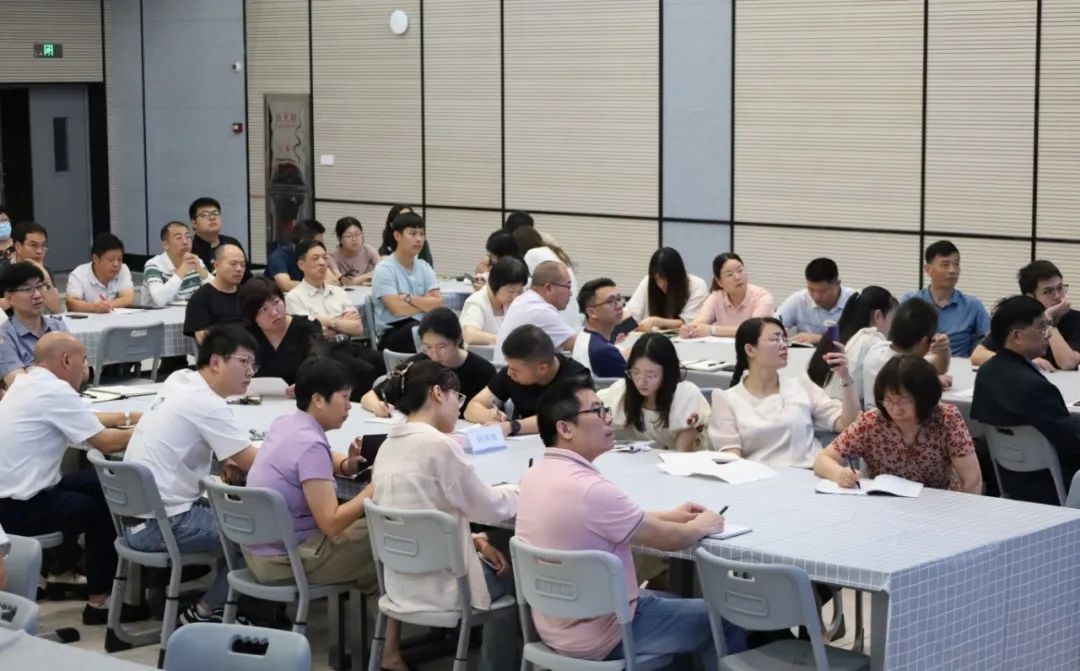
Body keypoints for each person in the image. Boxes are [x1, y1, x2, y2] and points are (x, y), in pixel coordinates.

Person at [515, 376, 745, 667]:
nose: (608, 418)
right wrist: (705, 524)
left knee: (670, 599)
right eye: (597, 411)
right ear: (565, 428)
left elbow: (616, 520)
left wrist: (672, 515)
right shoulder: (591, 490)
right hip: (608, 632)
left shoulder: (534, 476)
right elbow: (669, 540)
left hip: (555, 626)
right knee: (728, 617)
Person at [245, 357, 407, 670]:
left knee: (374, 537)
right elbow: (331, 523)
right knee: (390, 545)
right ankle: (389, 657)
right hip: (290, 559)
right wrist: (374, 488)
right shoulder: (309, 445)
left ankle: (378, 649)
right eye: (344, 398)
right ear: (319, 400)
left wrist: (345, 465)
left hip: (259, 551)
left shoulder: (286, 424)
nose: (349, 407)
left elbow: (315, 456)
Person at [372, 360, 520, 671]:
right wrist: (521, 489)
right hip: (447, 587)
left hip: (399, 582)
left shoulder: (388, 444)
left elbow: (424, 516)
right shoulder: (439, 445)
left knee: (494, 545)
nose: (458, 407)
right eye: (457, 397)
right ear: (438, 393)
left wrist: (474, 539)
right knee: (518, 572)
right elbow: (490, 508)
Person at [123, 325, 261, 624]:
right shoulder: (207, 404)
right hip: (163, 523)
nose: (250, 372)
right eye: (243, 362)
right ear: (216, 362)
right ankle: (205, 612)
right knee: (257, 536)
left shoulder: (180, 379)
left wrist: (228, 454)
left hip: (135, 520)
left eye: (254, 364)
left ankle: (228, 607)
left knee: (237, 514)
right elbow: (255, 463)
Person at [0, 332, 140, 625]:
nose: (86, 369)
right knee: (104, 509)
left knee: (98, 481)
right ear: (66, 360)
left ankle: (69, 566)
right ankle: (100, 601)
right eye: (84, 360)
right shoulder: (55, 392)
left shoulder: (27, 383)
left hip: (16, 495)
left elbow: (86, 415)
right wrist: (152, 427)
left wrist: (131, 416)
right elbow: (107, 443)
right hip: (21, 508)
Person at [813, 355, 981, 493]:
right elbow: (822, 459)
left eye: (904, 401)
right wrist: (839, 473)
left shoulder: (946, 418)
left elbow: (972, 480)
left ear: (925, 398)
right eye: (889, 400)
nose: (895, 409)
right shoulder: (872, 422)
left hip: (939, 504)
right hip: (885, 503)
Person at [971, 295, 1080, 505]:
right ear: (1017, 336)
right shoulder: (1034, 386)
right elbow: (1071, 441)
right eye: (1042, 327)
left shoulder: (986, 373)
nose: (1048, 334)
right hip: (1052, 483)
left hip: (1009, 480)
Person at [709, 317, 860, 467]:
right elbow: (732, 461)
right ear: (750, 350)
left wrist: (844, 376)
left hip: (810, 472)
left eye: (784, 339)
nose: (783, 345)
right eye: (775, 339)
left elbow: (848, 424)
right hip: (759, 477)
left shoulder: (802, 385)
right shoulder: (726, 400)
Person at [285, 240, 385, 394]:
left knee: (384, 361)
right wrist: (341, 323)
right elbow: (313, 333)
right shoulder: (294, 297)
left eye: (324, 258)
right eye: (315, 258)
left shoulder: (338, 291)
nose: (322, 263)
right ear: (301, 265)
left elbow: (357, 328)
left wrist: (327, 321)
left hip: (347, 344)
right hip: (323, 351)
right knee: (365, 370)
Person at [362, 308, 495, 417]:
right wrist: (378, 406)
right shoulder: (418, 364)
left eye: (441, 347)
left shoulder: (483, 371)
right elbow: (369, 396)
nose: (434, 354)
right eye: (428, 347)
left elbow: (490, 414)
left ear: (458, 340)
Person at [466, 324, 590, 436]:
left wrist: (513, 426)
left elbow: (560, 418)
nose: (509, 373)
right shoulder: (512, 373)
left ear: (542, 368)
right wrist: (489, 415)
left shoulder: (577, 376)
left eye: (515, 370)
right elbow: (472, 407)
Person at [599, 333, 711, 451]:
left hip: (677, 460)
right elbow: (591, 413)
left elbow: (682, 456)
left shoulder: (686, 397)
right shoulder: (622, 390)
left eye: (650, 375)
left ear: (667, 373)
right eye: (635, 372)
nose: (641, 382)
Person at [971, 260, 1080, 371]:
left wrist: (1048, 321)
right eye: (1048, 291)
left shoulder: (1076, 319)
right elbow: (977, 355)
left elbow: (1068, 363)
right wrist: (1022, 362)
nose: (1057, 296)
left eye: (1060, 288)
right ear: (1030, 297)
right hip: (1025, 378)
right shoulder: (1018, 318)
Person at [806, 285, 898, 402]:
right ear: (878, 316)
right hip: (845, 409)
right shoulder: (872, 340)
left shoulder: (837, 336)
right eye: (893, 319)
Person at [901, 240, 990, 357]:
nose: (952, 270)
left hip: (959, 364)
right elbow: (899, 340)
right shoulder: (910, 301)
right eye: (945, 264)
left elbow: (989, 339)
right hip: (918, 363)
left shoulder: (973, 305)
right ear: (927, 269)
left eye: (956, 264)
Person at [861, 298, 951, 409]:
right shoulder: (909, 368)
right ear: (924, 341)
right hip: (898, 419)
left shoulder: (878, 349)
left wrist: (943, 352)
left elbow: (939, 368)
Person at [372, 211, 442, 352]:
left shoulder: (424, 267)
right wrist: (424, 303)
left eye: (422, 234)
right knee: (420, 332)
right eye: (412, 234)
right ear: (397, 236)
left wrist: (408, 298)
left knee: (448, 325)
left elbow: (437, 304)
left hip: (421, 326)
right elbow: (397, 309)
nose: (419, 239)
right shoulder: (384, 269)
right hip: (392, 332)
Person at [239, 277, 323, 385]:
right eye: (263, 309)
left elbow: (319, 368)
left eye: (276, 302)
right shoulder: (245, 336)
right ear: (251, 316)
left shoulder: (308, 328)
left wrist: (304, 385)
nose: (274, 312)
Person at [0, 262, 69, 388]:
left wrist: (31, 370)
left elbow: (83, 372)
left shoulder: (58, 326)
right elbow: (20, 385)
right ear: (9, 299)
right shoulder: (4, 336)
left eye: (40, 287)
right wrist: (61, 368)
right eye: (27, 289)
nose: (37, 295)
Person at [494, 260, 577, 359]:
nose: (570, 293)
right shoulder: (540, 310)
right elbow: (578, 345)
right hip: (516, 368)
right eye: (568, 287)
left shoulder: (526, 300)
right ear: (549, 287)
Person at [681, 253, 774, 339]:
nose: (737, 277)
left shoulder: (762, 297)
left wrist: (712, 330)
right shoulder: (716, 297)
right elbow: (701, 320)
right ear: (719, 282)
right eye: (729, 274)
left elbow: (753, 329)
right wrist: (688, 328)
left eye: (740, 270)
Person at [624, 247, 709, 332]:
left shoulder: (697, 285)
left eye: (664, 278)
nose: (660, 284)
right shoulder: (648, 282)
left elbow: (689, 323)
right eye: (656, 279)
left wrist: (655, 321)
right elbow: (631, 312)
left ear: (677, 275)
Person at [514, 225, 581, 328]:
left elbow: (527, 286)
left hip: (558, 315)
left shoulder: (532, 254)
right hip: (572, 316)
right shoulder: (552, 251)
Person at [775, 258, 855, 343]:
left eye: (822, 291)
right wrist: (777, 331)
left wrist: (821, 339)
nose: (816, 297)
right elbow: (772, 326)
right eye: (811, 290)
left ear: (837, 284)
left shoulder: (855, 301)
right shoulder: (799, 299)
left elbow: (860, 340)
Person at [184, 243, 247, 344]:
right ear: (216, 265)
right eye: (233, 264)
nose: (239, 269)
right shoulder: (201, 298)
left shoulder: (247, 294)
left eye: (243, 265)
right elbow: (203, 339)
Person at [460, 256, 528, 346]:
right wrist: (504, 340)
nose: (515, 296)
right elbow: (469, 336)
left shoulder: (512, 303)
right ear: (495, 284)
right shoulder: (477, 302)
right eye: (511, 291)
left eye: (519, 291)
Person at [0, 222, 62, 314]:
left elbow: (56, 309)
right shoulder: (3, 270)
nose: (39, 251)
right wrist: (18, 299)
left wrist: (46, 278)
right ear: (18, 246)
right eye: (34, 245)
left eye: (43, 245)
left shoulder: (44, 270)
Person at [143, 221, 210, 307]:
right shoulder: (154, 265)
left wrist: (201, 272)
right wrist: (183, 269)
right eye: (178, 238)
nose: (185, 242)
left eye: (188, 237)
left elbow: (218, 292)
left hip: (187, 313)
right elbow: (160, 300)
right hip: (157, 314)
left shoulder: (196, 262)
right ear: (166, 245)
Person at [64, 233, 135, 313]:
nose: (116, 264)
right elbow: (71, 304)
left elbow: (128, 298)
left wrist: (106, 306)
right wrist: (94, 307)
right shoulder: (78, 274)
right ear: (96, 259)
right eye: (111, 260)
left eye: (119, 259)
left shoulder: (123, 269)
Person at [571, 278, 627, 377]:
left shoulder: (585, 335)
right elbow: (636, 383)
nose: (619, 306)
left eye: (619, 299)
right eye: (610, 301)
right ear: (591, 312)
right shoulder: (604, 352)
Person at [189, 197, 252, 284]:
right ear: (194, 223)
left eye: (215, 213)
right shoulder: (189, 248)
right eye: (205, 215)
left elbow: (247, 277)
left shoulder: (232, 243)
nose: (212, 217)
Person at [265, 219, 326, 293]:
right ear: (302, 241)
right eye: (316, 244)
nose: (319, 247)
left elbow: (327, 279)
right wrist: (314, 287)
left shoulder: (317, 257)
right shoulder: (279, 256)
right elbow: (285, 285)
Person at [328, 216, 380, 286]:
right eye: (348, 236)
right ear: (339, 238)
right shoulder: (332, 256)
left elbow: (382, 270)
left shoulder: (368, 250)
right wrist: (366, 277)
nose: (354, 239)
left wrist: (360, 278)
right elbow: (342, 280)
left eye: (358, 234)